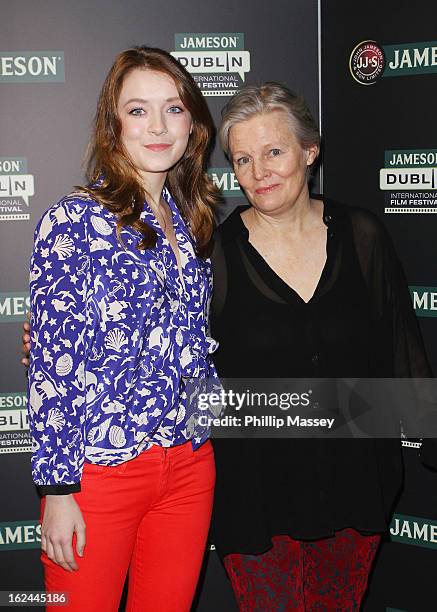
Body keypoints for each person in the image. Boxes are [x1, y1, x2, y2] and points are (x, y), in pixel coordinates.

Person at [208, 82, 435, 610]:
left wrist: (426, 430)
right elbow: (163, 349)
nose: (258, 171)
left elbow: (402, 345)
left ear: (310, 151)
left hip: (356, 482)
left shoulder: (364, 236)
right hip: (255, 494)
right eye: (243, 158)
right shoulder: (213, 254)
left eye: (274, 151)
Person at [24, 46, 219, 612]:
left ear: (193, 124)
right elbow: (53, 364)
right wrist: (58, 491)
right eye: (137, 110)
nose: (158, 126)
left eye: (174, 109)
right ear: (113, 125)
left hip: (188, 466)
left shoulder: (190, 223)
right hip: (98, 476)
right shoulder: (73, 221)